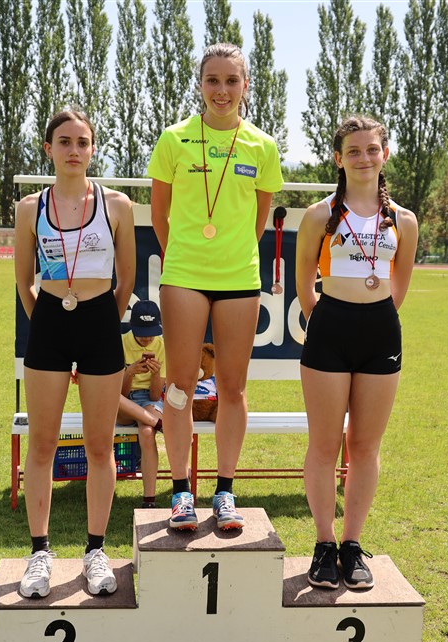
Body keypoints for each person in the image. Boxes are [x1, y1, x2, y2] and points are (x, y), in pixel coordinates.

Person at [147, 42, 283, 531]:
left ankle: (225, 491)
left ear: (245, 85)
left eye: (231, 81)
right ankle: (180, 492)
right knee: (180, 386)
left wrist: (230, 256)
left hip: (239, 279)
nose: (221, 90)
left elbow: (259, 219)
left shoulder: (262, 146)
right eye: (212, 80)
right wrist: (184, 258)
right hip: (184, 276)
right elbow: (159, 215)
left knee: (232, 388)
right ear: (200, 84)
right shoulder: (174, 139)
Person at [13, 110, 136, 598]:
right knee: (42, 444)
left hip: (100, 321)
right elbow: (23, 280)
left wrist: (100, 320)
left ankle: (95, 551)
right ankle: (40, 552)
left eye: (82, 142)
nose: (74, 150)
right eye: (64, 142)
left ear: (92, 149)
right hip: (48, 321)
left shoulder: (117, 205)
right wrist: (49, 319)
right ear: (48, 149)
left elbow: (126, 279)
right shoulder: (30, 208)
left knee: (99, 446)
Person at [295, 116, 418, 589]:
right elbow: (304, 283)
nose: (363, 158)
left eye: (371, 149)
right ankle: (324, 544)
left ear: (384, 154)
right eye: (353, 150)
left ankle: (352, 543)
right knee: (325, 446)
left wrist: (375, 317)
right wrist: (327, 320)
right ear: (338, 158)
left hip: (381, 334)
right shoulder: (318, 215)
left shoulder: (403, 220)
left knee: (365, 447)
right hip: (330, 330)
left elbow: (399, 284)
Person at [118, 300, 166, 508]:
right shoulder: (120, 342)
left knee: (147, 433)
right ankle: (158, 424)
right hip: (124, 401)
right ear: (132, 327)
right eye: (142, 333)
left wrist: (156, 374)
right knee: (110, 396)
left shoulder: (162, 345)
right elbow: (120, 393)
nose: (147, 338)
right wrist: (129, 372)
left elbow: (155, 396)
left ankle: (149, 499)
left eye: (151, 333)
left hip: (148, 399)